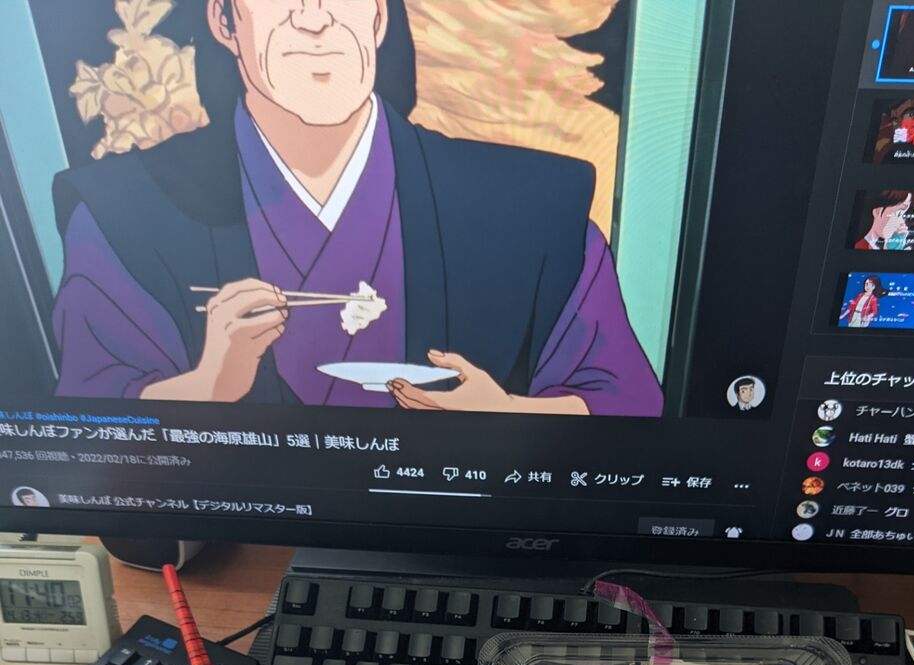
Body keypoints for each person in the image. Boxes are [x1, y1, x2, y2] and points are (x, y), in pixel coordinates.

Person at [51, 0, 663, 418]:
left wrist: (507, 419)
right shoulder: (123, 215)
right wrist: (204, 388)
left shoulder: (534, 207)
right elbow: (87, 431)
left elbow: (628, 405)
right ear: (224, 20)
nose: (315, 18)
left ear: (378, 15)